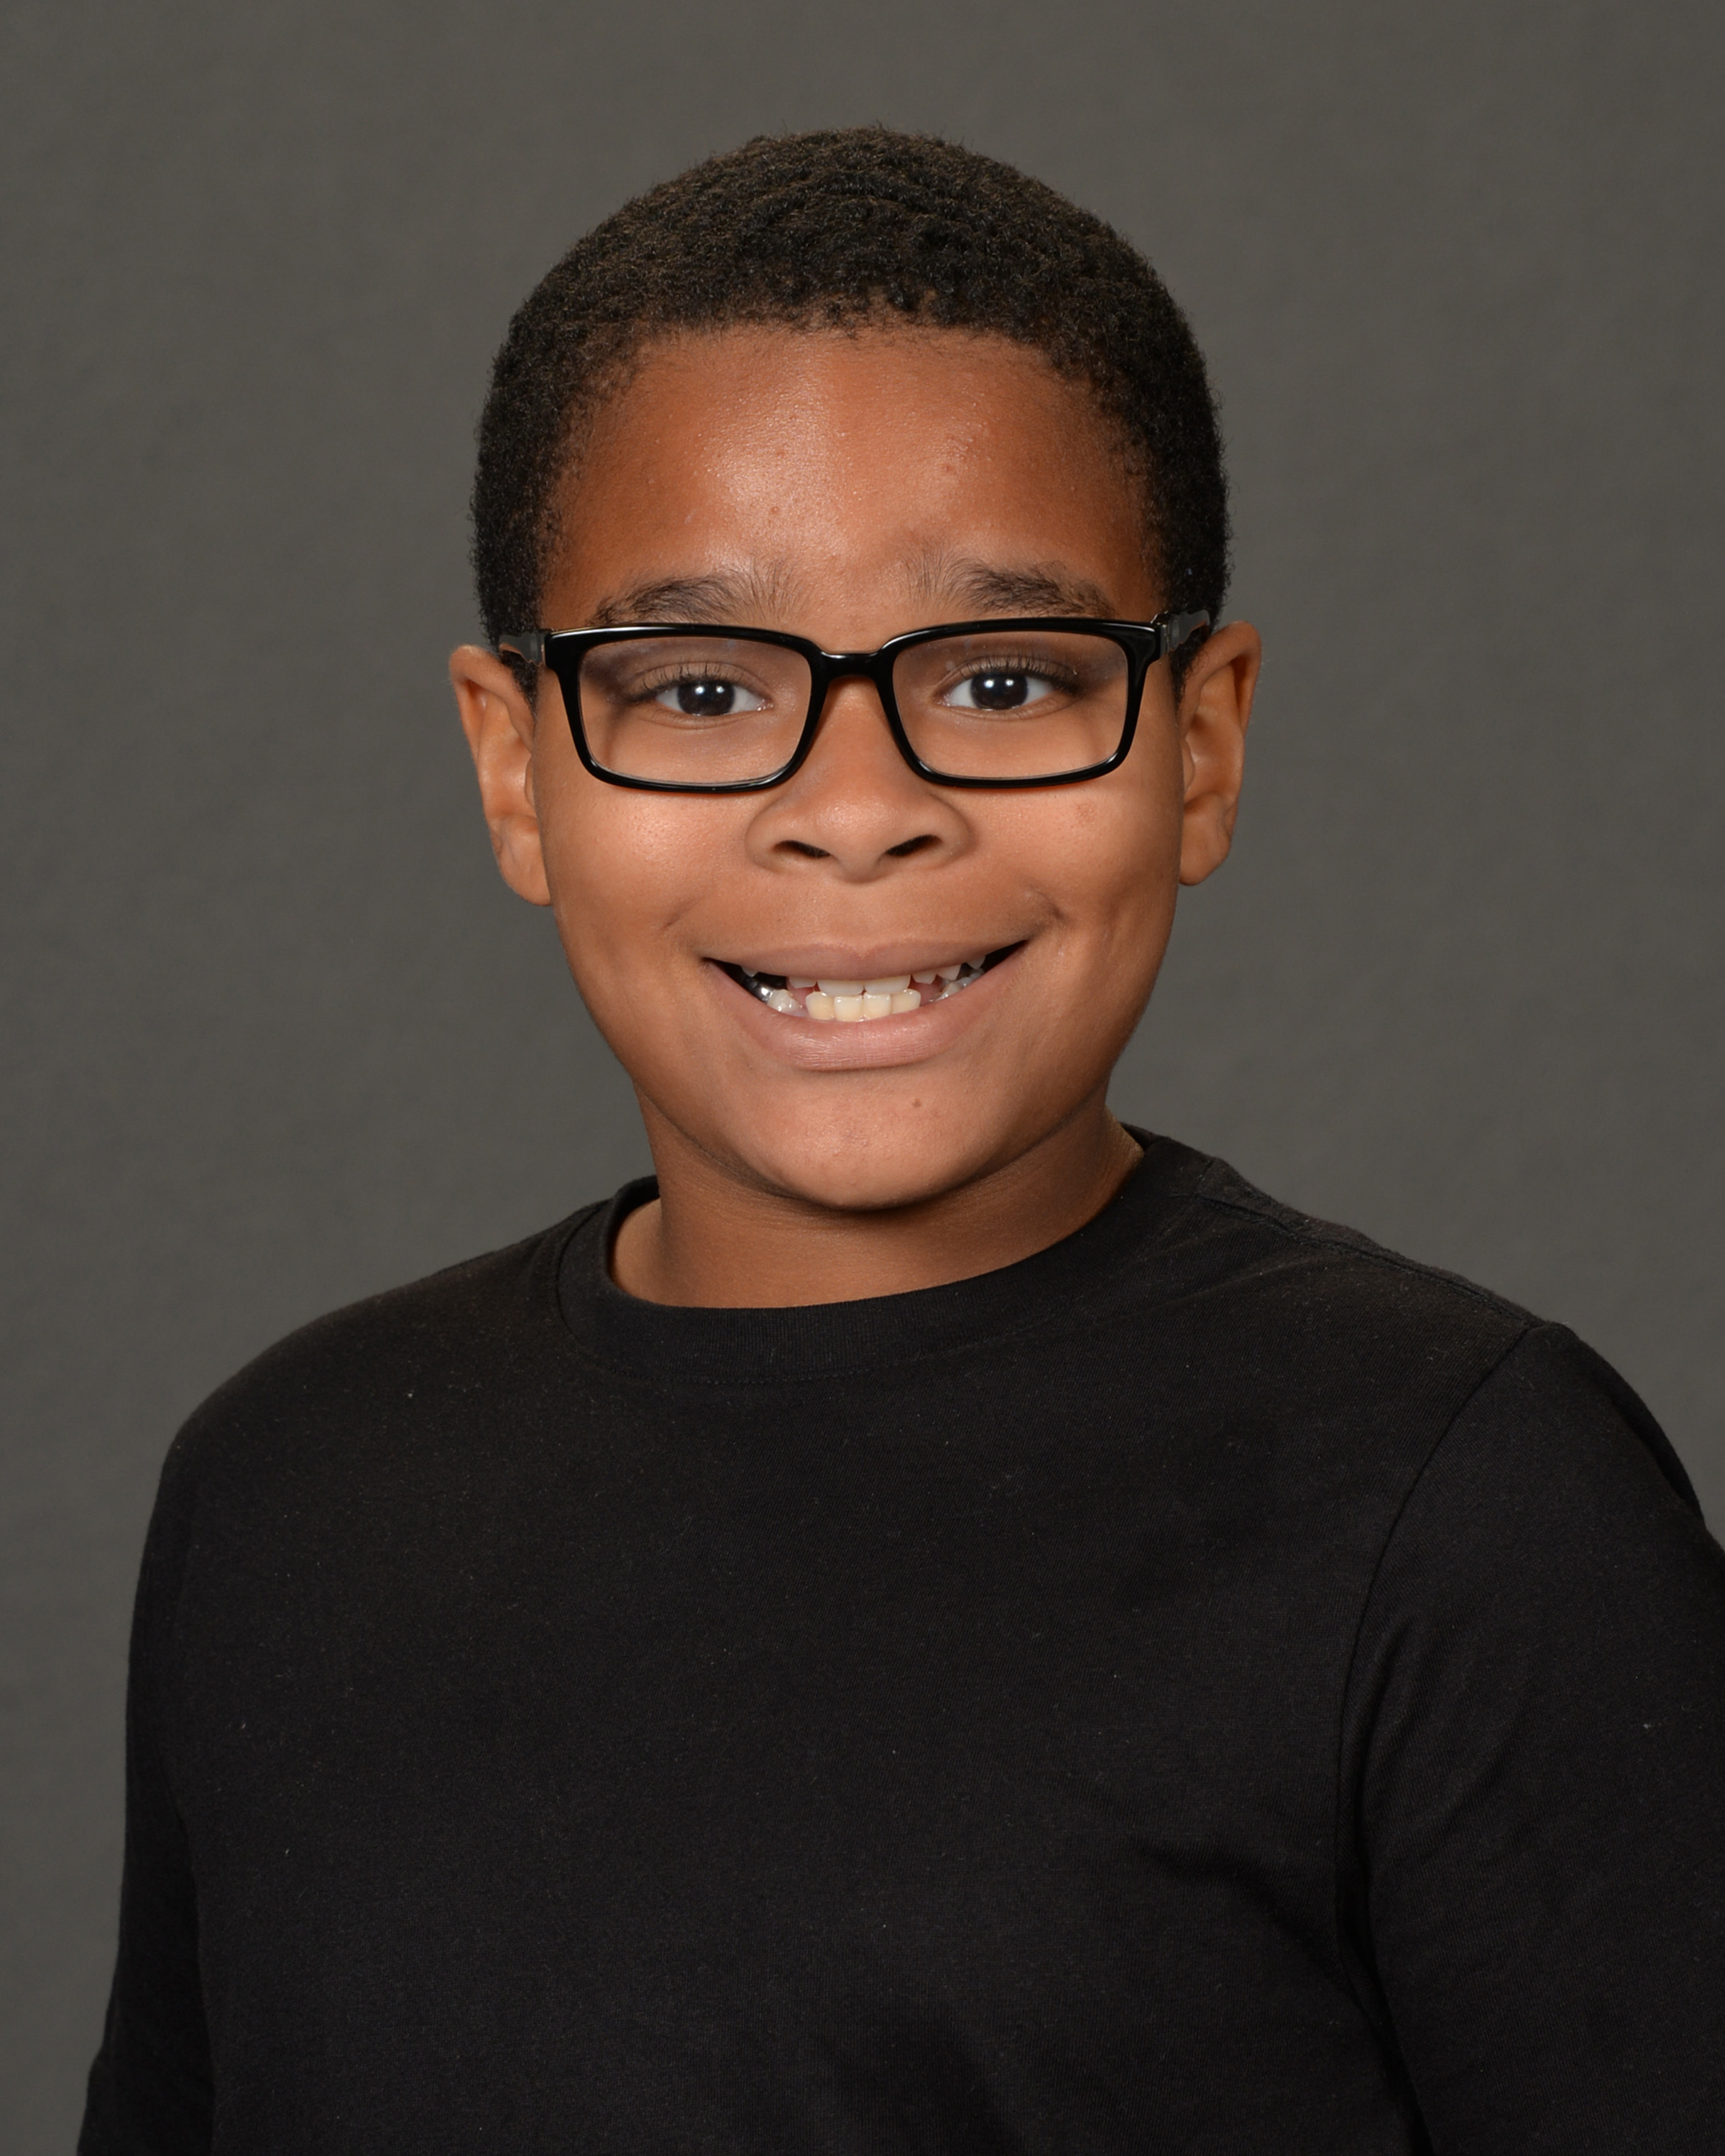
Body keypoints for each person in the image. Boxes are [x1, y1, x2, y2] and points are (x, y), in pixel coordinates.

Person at [81, 128, 1724, 2154]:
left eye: (1006, 678)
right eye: (697, 689)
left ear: (1202, 745)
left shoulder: (1469, 1507)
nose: (855, 809)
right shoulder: (286, 1493)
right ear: (515, 774)